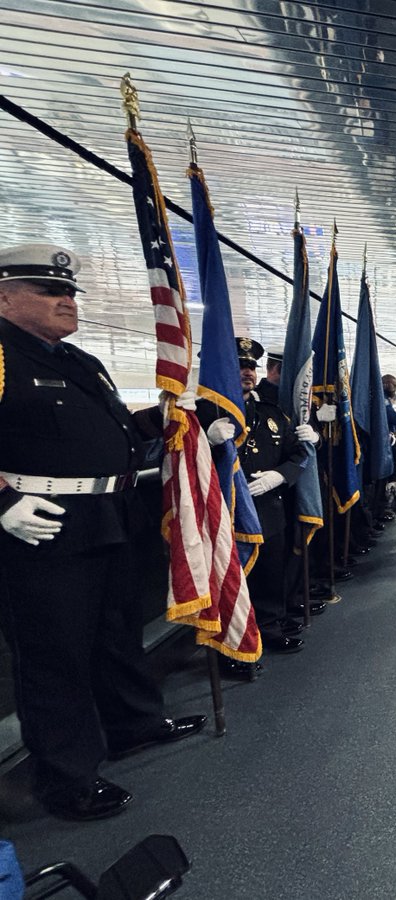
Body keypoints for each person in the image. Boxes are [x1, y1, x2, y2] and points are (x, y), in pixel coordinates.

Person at [0, 243, 206, 821]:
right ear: (5, 296)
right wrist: (2, 501)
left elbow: (110, 430)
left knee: (116, 634)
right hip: (42, 530)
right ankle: (66, 779)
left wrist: (165, 418)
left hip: (110, 518)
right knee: (54, 657)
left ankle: (133, 724)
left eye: (69, 292)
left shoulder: (79, 361)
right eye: (50, 291)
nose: (67, 301)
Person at [198, 337, 319, 668]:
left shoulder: (271, 411)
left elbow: (296, 454)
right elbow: (179, 460)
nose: (247, 372)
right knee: (233, 579)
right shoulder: (204, 412)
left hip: (270, 508)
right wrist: (203, 440)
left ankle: (269, 626)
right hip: (228, 510)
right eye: (239, 365)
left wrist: (280, 476)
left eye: (251, 366)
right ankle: (232, 645)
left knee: (270, 573)